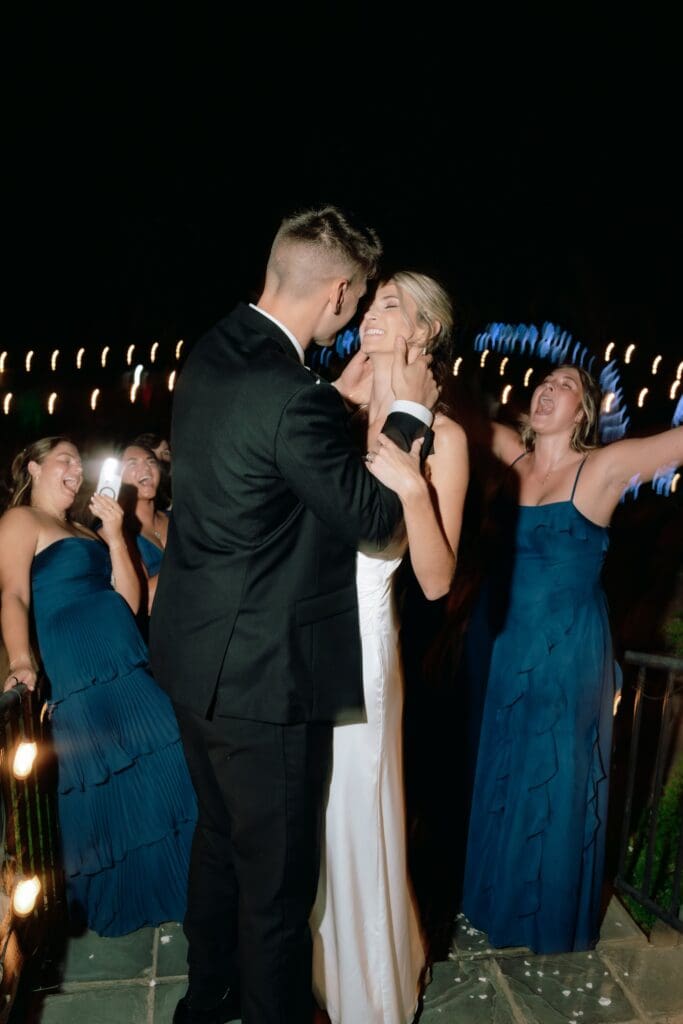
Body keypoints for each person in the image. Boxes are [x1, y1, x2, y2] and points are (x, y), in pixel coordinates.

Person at [148, 204, 439, 1024]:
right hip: (261, 682)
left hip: (191, 659)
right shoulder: (292, 397)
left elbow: (272, 469)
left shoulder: (214, 350)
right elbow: (379, 523)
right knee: (275, 893)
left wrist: (331, 397)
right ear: (341, 292)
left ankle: (205, 1006)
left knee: (217, 850)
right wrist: (409, 413)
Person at [461, 365, 683, 954]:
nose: (546, 389)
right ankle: (495, 905)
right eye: (544, 382)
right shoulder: (512, 457)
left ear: (583, 411)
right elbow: (458, 415)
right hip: (509, 648)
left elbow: (675, 442)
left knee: (555, 779)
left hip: (569, 655)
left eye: (564, 386)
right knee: (508, 768)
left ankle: (548, 926)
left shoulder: (602, 468)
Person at [310, 272, 469, 1024]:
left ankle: (368, 997)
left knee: (356, 813)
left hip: (365, 647)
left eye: (390, 306)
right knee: (307, 821)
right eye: (369, 303)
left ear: (424, 331)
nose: (369, 314)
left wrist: (411, 487)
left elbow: (437, 581)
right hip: (297, 642)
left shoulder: (448, 438)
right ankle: (320, 973)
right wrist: (339, 398)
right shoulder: (331, 415)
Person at [0, 437, 197, 937]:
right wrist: (21, 659)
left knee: (170, 764)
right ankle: (124, 903)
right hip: (77, 674)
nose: (73, 467)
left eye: (76, 461)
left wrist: (112, 534)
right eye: (62, 458)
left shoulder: (86, 532)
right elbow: (14, 594)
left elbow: (129, 602)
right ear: (34, 465)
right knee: (98, 787)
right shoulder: (20, 521)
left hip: (127, 664)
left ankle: (186, 887)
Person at [119, 441, 171, 615]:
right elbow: (144, 601)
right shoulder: (117, 534)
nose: (146, 469)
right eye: (132, 463)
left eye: (151, 462)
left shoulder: (180, 519)